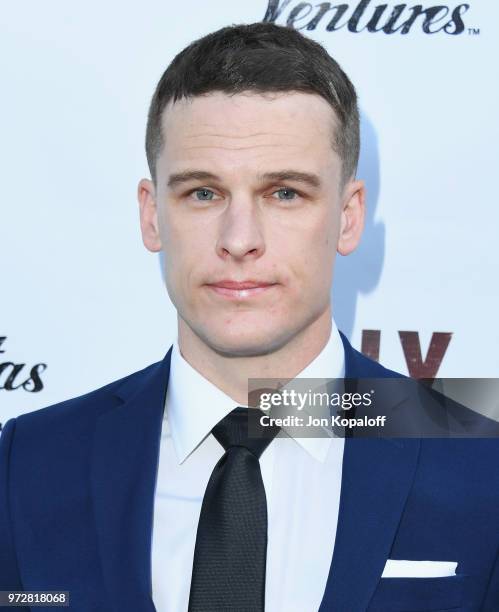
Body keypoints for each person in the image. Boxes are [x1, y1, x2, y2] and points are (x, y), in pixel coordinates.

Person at [1, 21, 498, 612]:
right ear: (151, 215)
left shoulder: (479, 463)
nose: (239, 240)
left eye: (284, 193)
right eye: (203, 193)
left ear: (348, 216)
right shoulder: (31, 462)